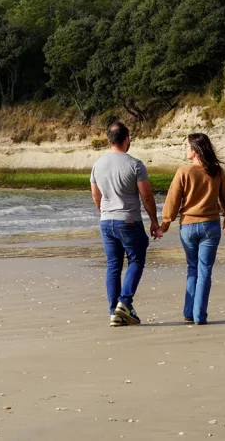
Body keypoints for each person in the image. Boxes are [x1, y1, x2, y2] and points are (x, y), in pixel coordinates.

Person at [90, 121, 161, 326]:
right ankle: (124, 302)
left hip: (106, 221)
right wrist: (154, 222)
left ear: (108, 140)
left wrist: (104, 212)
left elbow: (96, 195)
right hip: (128, 220)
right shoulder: (135, 164)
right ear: (127, 139)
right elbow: (146, 196)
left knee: (113, 265)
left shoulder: (98, 164)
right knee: (136, 260)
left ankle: (115, 312)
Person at [159, 133, 225, 325]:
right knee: (204, 271)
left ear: (195, 150)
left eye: (187, 146)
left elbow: (173, 200)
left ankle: (188, 312)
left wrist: (165, 223)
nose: (186, 150)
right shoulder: (216, 171)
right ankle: (199, 315)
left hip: (188, 227)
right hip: (210, 225)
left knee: (192, 268)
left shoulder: (183, 172)